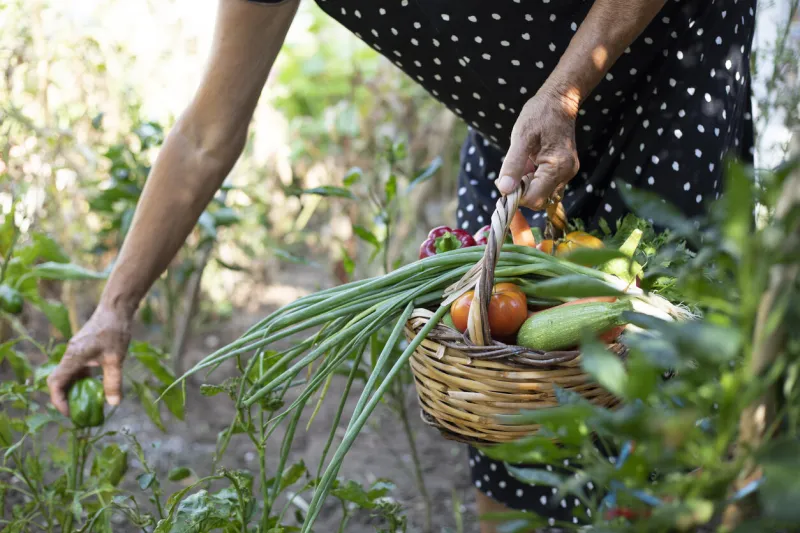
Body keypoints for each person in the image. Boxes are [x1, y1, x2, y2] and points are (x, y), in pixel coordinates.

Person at [47, 0, 756, 531]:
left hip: (665, 79)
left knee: (665, 414)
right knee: (507, 408)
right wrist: (114, 306)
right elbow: (205, 135)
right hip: (521, 133)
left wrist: (565, 90)